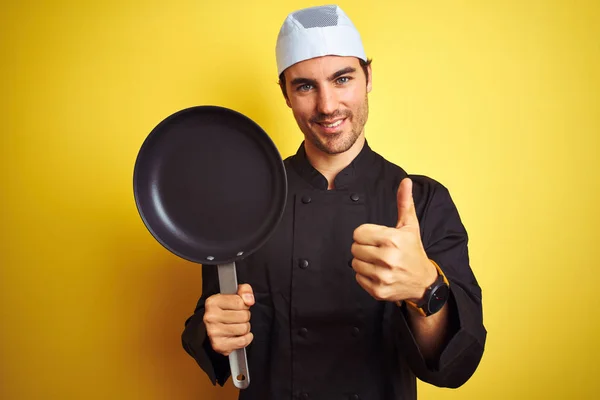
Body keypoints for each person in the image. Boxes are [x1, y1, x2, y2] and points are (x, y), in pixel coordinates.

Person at [182, 5, 486, 399]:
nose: (327, 106)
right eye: (305, 86)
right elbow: (214, 319)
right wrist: (215, 331)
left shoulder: (423, 199)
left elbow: (456, 362)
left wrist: (426, 290)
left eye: (342, 79)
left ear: (368, 77)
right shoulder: (246, 201)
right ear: (286, 94)